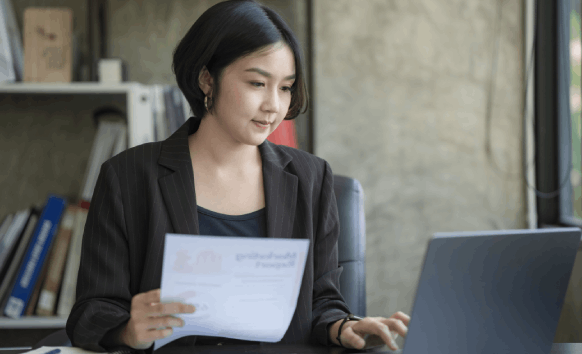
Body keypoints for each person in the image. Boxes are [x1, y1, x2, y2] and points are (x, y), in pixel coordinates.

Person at [65, 0, 409, 352]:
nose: (274, 105)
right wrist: (127, 329)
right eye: (258, 83)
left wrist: (345, 326)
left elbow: (322, 303)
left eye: (285, 87)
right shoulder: (127, 177)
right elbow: (90, 313)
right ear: (206, 79)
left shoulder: (311, 178)